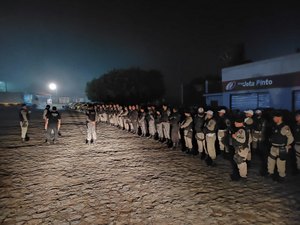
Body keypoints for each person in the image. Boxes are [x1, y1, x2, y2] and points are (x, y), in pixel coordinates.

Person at [267, 111, 294, 182]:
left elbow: (291, 138)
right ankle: (270, 173)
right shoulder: (275, 125)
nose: (273, 119)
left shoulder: (285, 127)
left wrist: (286, 145)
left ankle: (282, 176)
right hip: (273, 147)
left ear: (279, 118)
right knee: (271, 160)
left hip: (281, 148)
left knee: (280, 162)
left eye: (274, 117)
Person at [230, 115, 249, 181]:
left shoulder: (241, 130)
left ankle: (243, 177)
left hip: (242, 149)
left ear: (240, 123)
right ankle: (242, 175)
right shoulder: (243, 129)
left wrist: (234, 136)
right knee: (239, 162)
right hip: (240, 148)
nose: (235, 123)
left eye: (236, 122)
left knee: (241, 162)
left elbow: (242, 140)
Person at [252, 109, 268, 176]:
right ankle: (256, 154)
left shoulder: (263, 120)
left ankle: (260, 154)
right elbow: (253, 126)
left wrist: (262, 134)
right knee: (255, 145)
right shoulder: (255, 119)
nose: (258, 114)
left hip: (260, 133)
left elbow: (263, 127)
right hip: (255, 133)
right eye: (257, 113)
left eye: (259, 113)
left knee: (260, 144)